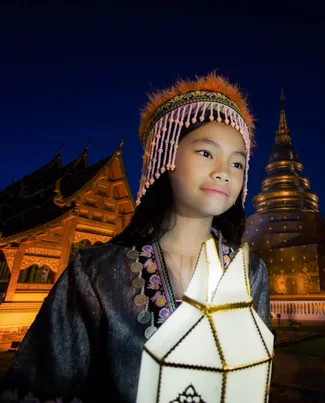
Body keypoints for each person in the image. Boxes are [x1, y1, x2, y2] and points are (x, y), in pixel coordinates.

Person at [0, 73, 271, 402]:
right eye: (205, 153)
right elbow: (40, 390)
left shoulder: (250, 273)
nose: (224, 171)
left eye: (238, 162)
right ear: (165, 157)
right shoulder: (95, 273)